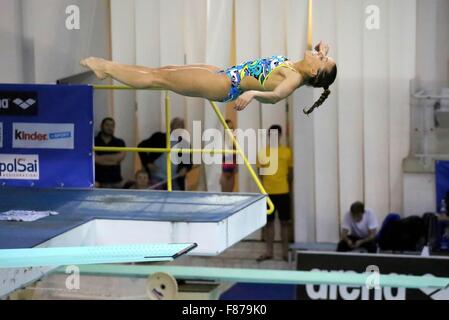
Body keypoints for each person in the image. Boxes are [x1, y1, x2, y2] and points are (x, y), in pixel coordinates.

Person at [80, 41, 337, 115]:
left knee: (159, 78)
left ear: (314, 72)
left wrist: (254, 93)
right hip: (226, 73)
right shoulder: (300, 67)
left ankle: (106, 68)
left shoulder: (293, 78)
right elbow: (322, 43)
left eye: (322, 59)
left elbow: (278, 96)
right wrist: (324, 53)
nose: (320, 53)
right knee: (167, 69)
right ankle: (109, 68)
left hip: (227, 84)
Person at [256, 125, 293, 262]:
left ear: (280, 136)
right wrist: (263, 189)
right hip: (268, 193)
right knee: (269, 223)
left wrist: (287, 187)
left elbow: (290, 173)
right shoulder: (262, 153)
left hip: (283, 192)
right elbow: (259, 174)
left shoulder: (287, 152)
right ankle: (269, 252)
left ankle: (284, 253)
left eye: (276, 135)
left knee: (284, 223)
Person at [137, 117, 192, 190]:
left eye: (180, 126)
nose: (178, 128)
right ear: (171, 127)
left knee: (177, 198)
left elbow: (188, 163)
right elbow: (141, 146)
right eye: (176, 125)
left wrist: (185, 169)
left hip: (174, 178)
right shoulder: (158, 137)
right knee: (154, 197)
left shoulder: (185, 144)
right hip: (155, 177)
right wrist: (147, 163)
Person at [94, 117, 126, 188]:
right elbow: (94, 159)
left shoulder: (120, 142)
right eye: (107, 125)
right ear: (101, 126)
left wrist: (100, 159)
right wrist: (112, 159)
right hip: (97, 182)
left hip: (116, 182)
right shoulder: (93, 142)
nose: (110, 127)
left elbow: (118, 159)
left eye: (112, 125)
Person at [220, 119, 238, 192]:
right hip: (223, 173)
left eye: (232, 128)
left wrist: (236, 166)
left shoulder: (233, 143)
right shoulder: (220, 142)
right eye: (229, 128)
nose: (231, 131)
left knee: (230, 195)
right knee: (223, 196)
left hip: (231, 172)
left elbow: (234, 156)